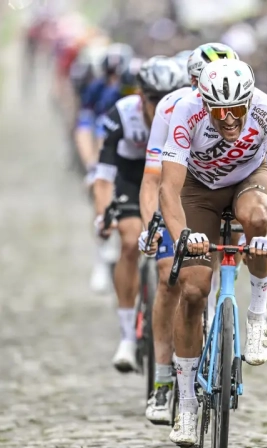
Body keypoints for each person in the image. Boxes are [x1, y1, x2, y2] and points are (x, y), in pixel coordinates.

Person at [159, 59, 267, 446]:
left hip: (248, 182)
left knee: (258, 218)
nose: (230, 120)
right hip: (198, 190)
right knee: (192, 291)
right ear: (204, 103)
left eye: (237, 110)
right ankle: (186, 405)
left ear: (249, 101)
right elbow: (169, 189)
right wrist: (182, 234)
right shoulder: (185, 112)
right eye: (220, 112)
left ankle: (257, 316)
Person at [139, 43, 240, 425]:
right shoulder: (172, 108)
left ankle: (219, 327)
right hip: (180, 196)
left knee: (218, 269)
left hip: (223, 197)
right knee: (169, 278)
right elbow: (153, 179)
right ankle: (165, 383)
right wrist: (153, 222)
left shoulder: (246, 110)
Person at [93, 56, 186, 373]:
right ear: (141, 96)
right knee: (131, 241)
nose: (160, 107)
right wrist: (104, 214)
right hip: (131, 179)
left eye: (167, 99)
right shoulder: (122, 114)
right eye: (153, 99)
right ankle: (127, 337)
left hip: (170, 179)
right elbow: (103, 175)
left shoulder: (186, 115)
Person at [76, 43, 132, 294]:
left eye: (118, 76)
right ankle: (100, 257)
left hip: (133, 152)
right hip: (105, 149)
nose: (114, 81)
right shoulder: (96, 91)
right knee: (98, 192)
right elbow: (86, 129)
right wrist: (91, 163)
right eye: (110, 75)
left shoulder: (133, 91)